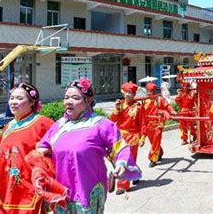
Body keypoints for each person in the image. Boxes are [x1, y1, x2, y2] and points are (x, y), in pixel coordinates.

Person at [37, 78, 141, 213]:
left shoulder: (101, 124)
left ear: (88, 101)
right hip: (61, 191)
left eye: (75, 98)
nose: (68, 101)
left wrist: (121, 163)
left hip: (88, 190)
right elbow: (41, 149)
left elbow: (119, 147)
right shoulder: (58, 126)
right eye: (66, 97)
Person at [0, 83, 53, 213]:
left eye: (19, 98)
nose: (14, 102)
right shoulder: (8, 127)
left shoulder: (43, 123)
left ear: (32, 102)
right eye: (12, 98)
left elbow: (59, 154)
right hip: (8, 193)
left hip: (31, 193)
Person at [110, 81, 146, 195]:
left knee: (129, 160)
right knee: (121, 161)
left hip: (133, 137)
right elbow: (112, 120)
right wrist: (116, 109)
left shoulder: (138, 107)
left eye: (130, 93)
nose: (128, 95)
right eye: (126, 92)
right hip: (120, 137)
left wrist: (142, 137)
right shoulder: (119, 105)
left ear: (134, 94)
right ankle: (130, 178)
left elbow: (143, 123)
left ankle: (124, 184)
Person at [143, 82, 176, 167]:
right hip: (149, 124)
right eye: (148, 91)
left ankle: (153, 159)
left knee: (156, 140)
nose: (150, 93)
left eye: (151, 91)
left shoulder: (159, 99)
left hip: (158, 123)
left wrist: (172, 111)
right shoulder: (145, 100)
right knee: (153, 141)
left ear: (154, 91)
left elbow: (167, 105)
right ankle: (159, 152)